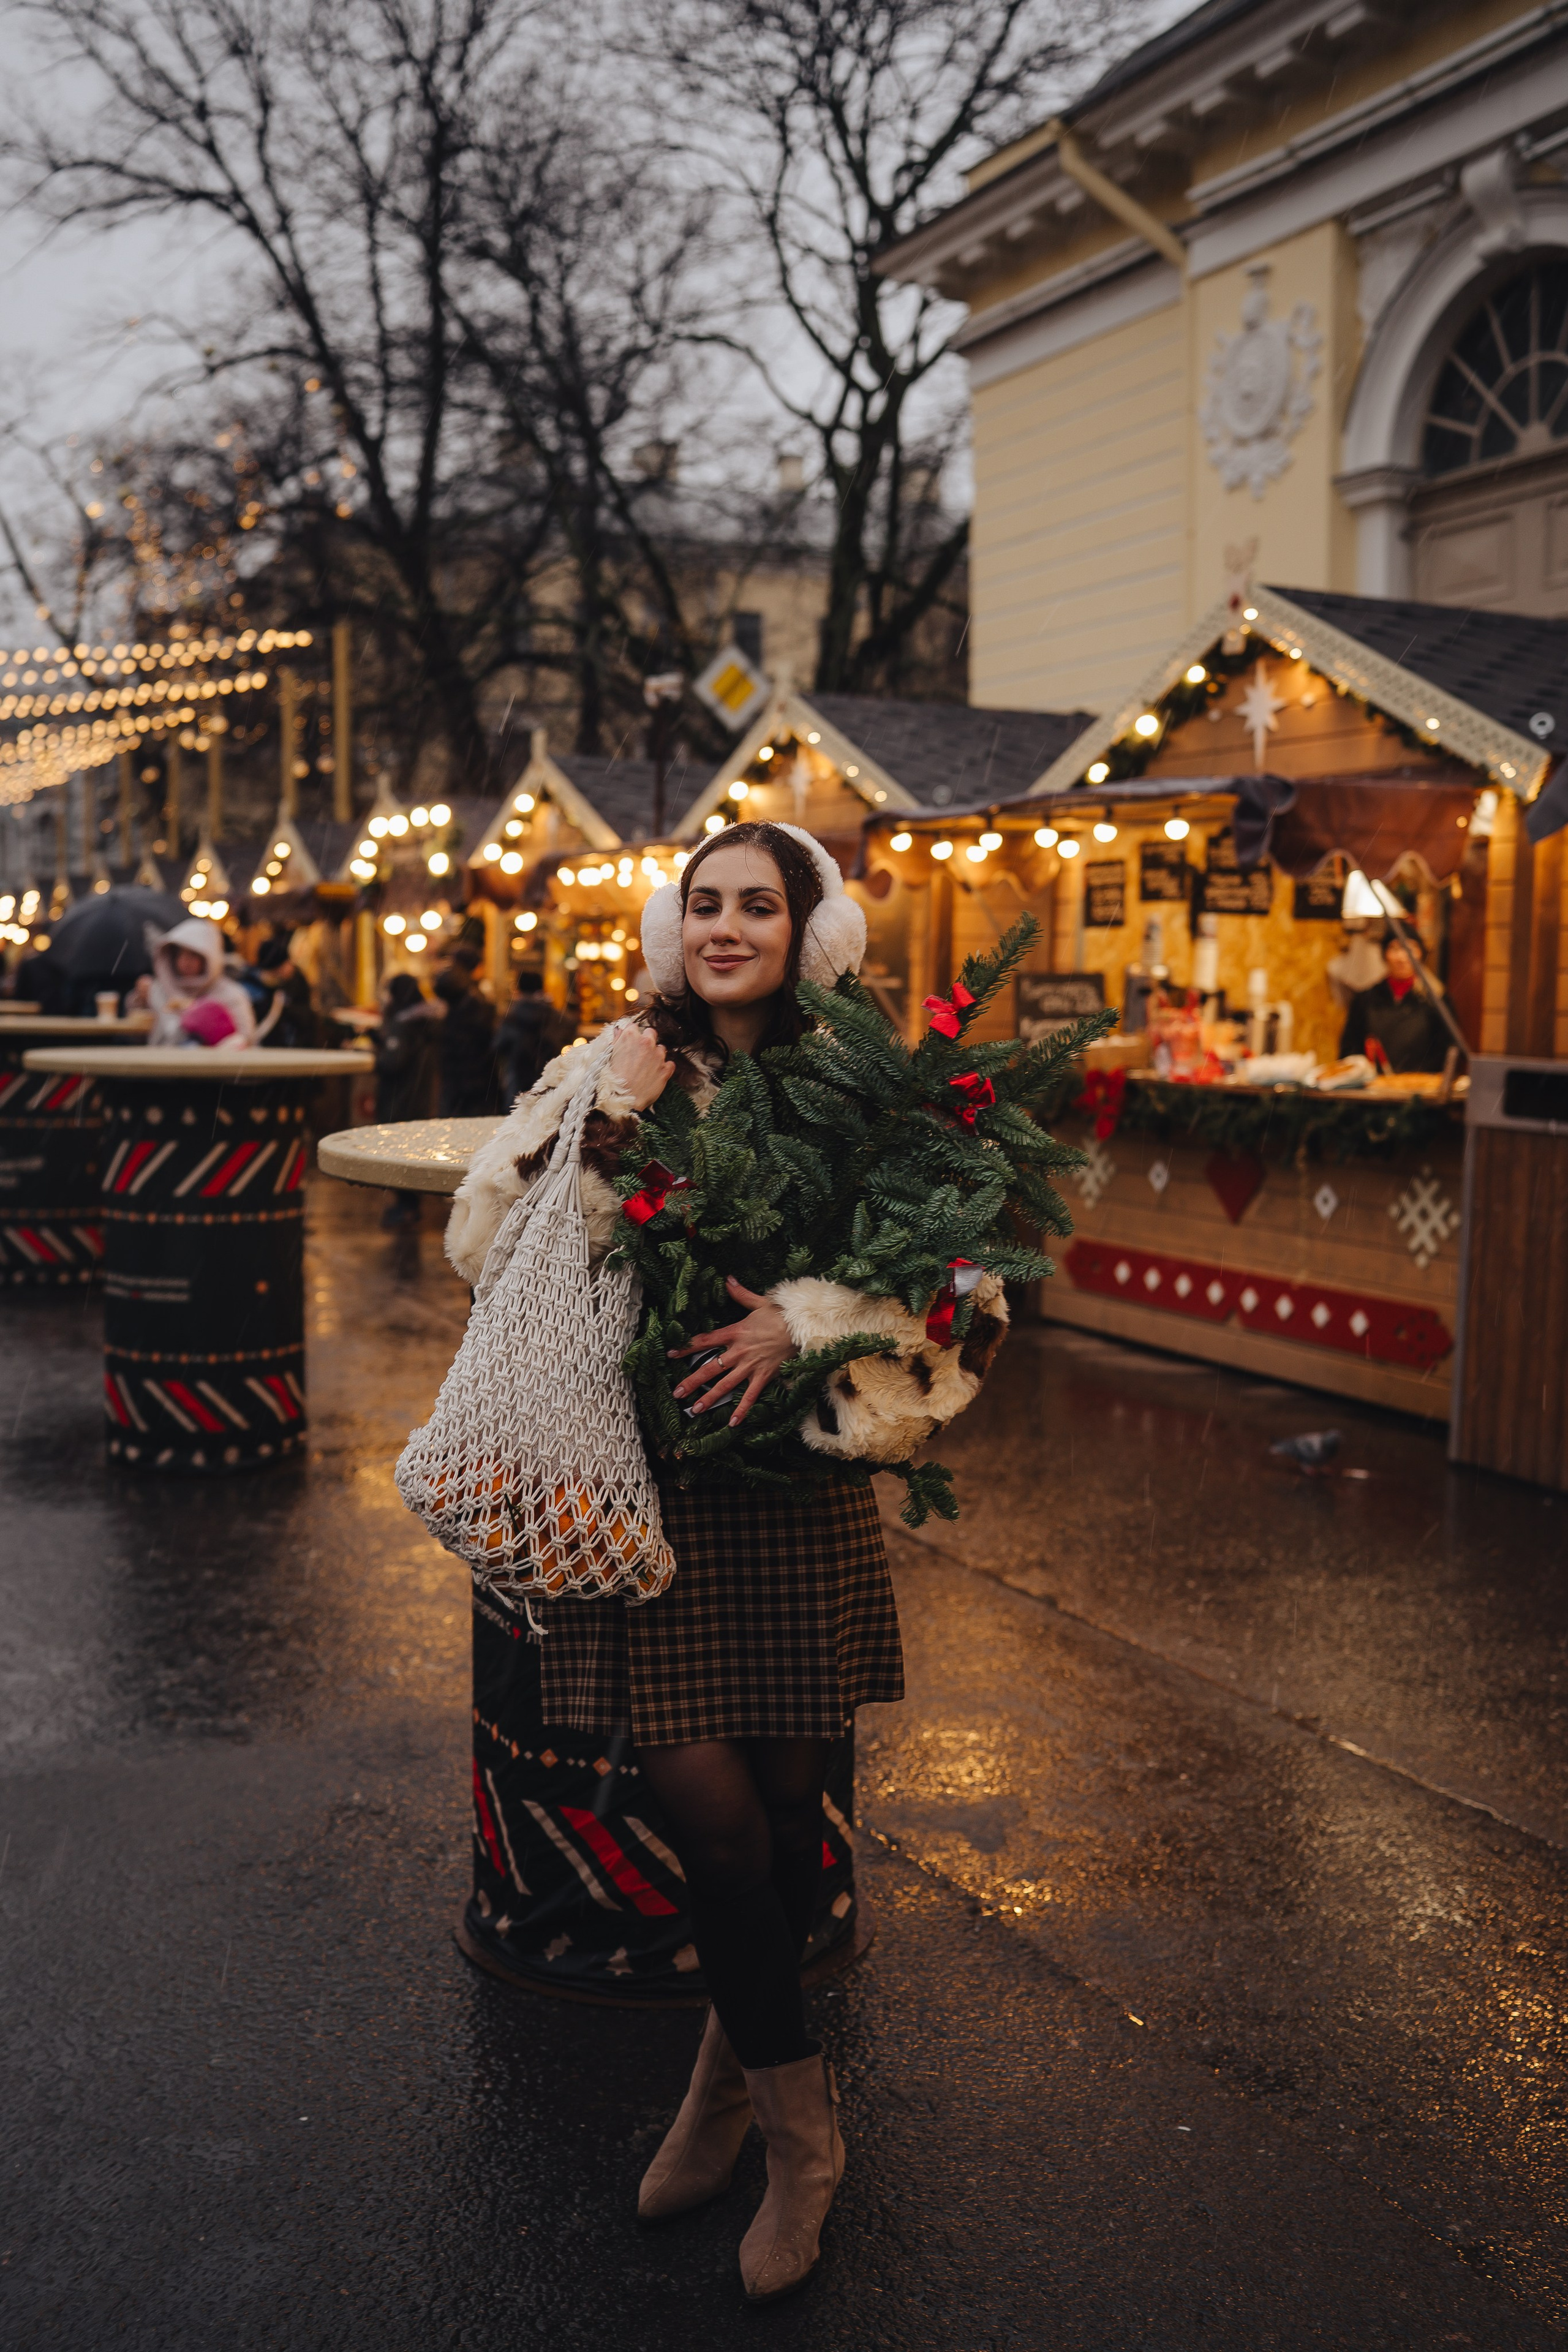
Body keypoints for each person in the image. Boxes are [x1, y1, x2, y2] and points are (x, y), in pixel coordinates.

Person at [444, 823, 1009, 2302]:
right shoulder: (611, 1064)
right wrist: (608, 1122)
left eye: (759, 904)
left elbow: (967, 1283)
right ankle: (801, 2134)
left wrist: (805, 1321)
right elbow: (489, 1251)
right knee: (708, 1818)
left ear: (807, 931)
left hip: (790, 1498)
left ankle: (723, 2091)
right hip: (648, 1493)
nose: (726, 927)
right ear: (669, 925)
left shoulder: (863, 1087)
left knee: (783, 1814)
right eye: (704, 903)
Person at [372, 972, 440, 1229]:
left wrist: (378, 1056)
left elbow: (393, 1063)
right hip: (419, 1097)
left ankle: (406, 1207)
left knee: (398, 1154)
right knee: (413, 1153)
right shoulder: (425, 1021)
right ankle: (411, 1205)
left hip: (399, 1100)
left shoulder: (403, 1023)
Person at [1339, 931, 1452, 1074]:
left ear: (1421, 954)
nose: (1402, 957)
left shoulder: (1436, 1000)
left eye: (1410, 949)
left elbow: (1448, 1050)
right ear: (1385, 954)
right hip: (1374, 1084)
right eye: (1395, 949)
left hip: (1422, 1084)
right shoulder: (1366, 999)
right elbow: (1349, 1049)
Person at [134, 916, 257, 1048]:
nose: (186, 961)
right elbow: (138, 1035)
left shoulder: (231, 995)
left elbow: (246, 1039)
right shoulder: (160, 989)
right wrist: (140, 1000)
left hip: (213, 1061)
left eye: (193, 955)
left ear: (209, 957)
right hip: (162, 1060)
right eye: (181, 954)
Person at [432, 948, 498, 1115]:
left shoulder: (451, 990)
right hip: (475, 1069)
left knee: (454, 1112)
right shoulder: (472, 995)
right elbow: (484, 1034)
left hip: (454, 1065)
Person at [494, 970, 573, 1108]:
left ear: (519, 988)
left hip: (518, 1079)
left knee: (517, 1113)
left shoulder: (512, 1015)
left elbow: (499, 1045)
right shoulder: (555, 1016)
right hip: (548, 1080)